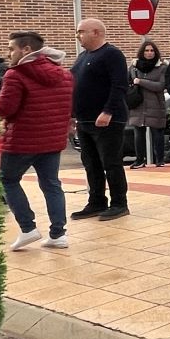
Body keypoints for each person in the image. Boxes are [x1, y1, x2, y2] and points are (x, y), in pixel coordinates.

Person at [0, 30, 73, 251]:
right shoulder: (63, 74)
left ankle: (28, 228)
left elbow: (5, 109)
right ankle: (58, 234)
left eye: (11, 49)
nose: (9, 54)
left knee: (7, 180)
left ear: (26, 49)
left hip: (22, 140)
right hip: (52, 139)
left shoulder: (15, 74)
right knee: (51, 184)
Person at [69, 18, 130, 222]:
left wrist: (108, 111)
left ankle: (119, 203)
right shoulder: (82, 57)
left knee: (111, 163)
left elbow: (119, 86)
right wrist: (71, 115)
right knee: (91, 163)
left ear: (96, 32)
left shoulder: (112, 54)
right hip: (84, 120)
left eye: (81, 31)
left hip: (107, 120)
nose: (77, 36)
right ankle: (96, 202)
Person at [127, 40, 168, 169]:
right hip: (138, 104)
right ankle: (139, 160)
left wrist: (141, 81)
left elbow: (160, 86)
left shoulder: (162, 67)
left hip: (156, 104)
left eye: (152, 50)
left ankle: (160, 160)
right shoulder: (134, 67)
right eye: (146, 50)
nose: (149, 53)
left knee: (157, 133)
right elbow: (128, 82)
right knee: (138, 133)